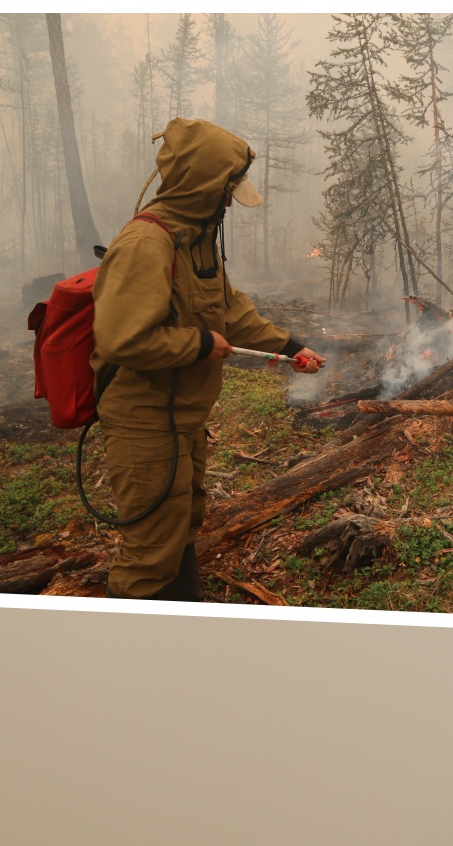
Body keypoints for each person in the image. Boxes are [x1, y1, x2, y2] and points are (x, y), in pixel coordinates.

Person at [91, 117, 325, 600]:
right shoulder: (145, 243)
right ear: (203, 184)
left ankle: (187, 622)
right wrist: (199, 344)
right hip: (145, 421)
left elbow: (230, 310)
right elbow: (121, 340)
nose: (228, 203)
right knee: (150, 550)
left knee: (183, 522)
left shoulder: (195, 240)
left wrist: (288, 345)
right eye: (226, 191)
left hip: (184, 418)